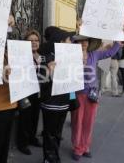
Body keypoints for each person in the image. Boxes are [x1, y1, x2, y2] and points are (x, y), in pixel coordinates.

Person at [71, 35, 121, 161]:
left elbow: (111, 51)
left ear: (89, 42)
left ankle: (85, 146)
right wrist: (78, 30)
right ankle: (77, 148)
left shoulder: (94, 55)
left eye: (86, 40)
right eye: (80, 40)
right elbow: (69, 41)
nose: (83, 43)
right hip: (77, 94)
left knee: (89, 122)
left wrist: (117, 37)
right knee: (77, 122)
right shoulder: (70, 55)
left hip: (92, 95)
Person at [39, 26, 74, 163]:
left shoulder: (70, 58)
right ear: (60, 42)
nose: (71, 42)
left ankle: (54, 156)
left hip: (64, 103)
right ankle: (49, 159)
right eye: (68, 39)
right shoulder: (47, 58)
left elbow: (72, 81)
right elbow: (40, 80)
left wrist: (72, 99)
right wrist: (48, 70)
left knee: (58, 134)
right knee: (50, 134)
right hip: (51, 104)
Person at [16, 29, 42, 155]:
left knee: (35, 117)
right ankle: (22, 143)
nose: (34, 43)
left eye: (36, 40)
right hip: (25, 92)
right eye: (31, 40)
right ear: (25, 42)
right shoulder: (20, 56)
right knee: (25, 118)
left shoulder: (40, 56)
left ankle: (32, 138)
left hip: (37, 92)